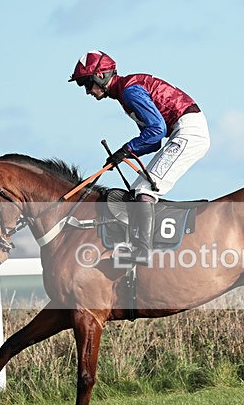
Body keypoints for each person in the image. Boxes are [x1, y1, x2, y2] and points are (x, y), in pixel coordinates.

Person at [69, 50, 210, 265]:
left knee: (144, 191)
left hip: (188, 132)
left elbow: (156, 130)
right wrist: (123, 155)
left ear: (100, 76)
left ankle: (143, 252)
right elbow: (153, 142)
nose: (87, 91)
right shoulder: (125, 94)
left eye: (87, 84)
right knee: (137, 190)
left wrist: (126, 150)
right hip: (182, 131)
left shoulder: (129, 92)